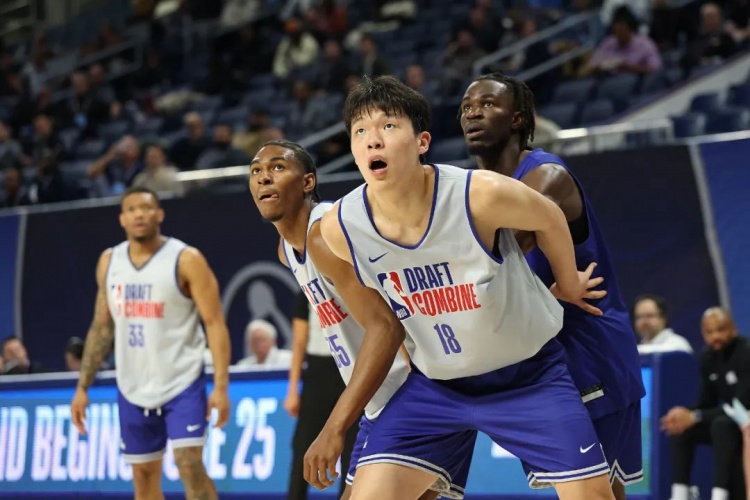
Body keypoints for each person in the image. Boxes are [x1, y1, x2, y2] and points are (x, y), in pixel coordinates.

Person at [305, 75, 614, 500]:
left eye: (388, 126)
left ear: (422, 142)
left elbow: (549, 216)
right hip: (436, 389)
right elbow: (382, 320)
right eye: (360, 131)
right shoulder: (340, 229)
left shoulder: (479, 194)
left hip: (528, 377)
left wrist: (569, 280)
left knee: (593, 496)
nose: (372, 140)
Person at [458, 73, 645, 500]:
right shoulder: (476, 188)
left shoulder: (546, 176)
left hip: (588, 347)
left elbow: (495, 259)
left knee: (598, 490)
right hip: (538, 352)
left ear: (518, 119)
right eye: (467, 107)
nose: (473, 113)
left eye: (488, 104)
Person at [248, 140, 440, 500]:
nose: (263, 177)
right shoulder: (287, 250)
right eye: (256, 171)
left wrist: (333, 427)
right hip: (383, 400)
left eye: (277, 167)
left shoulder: (325, 235)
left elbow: (386, 327)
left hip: (415, 393)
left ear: (308, 182)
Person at [70, 186, 231, 500]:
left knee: (190, 465)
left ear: (159, 214)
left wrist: (221, 387)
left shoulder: (186, 259)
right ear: (122, 219)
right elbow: (102, 326)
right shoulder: (110, 261)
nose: (139, 215)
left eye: (145, 208)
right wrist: (82, 387)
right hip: (133, 384)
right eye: (131, 209)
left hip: (182, 381)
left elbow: (214, 322)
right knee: (143, 478)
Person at [661, 307, 749, 500]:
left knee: (721, 425)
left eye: (721, 329)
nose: (716, 336)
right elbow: (706, 402)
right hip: (728, 419)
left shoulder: (745, 351)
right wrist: (683, 414)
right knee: (682, 428)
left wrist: (695, 416)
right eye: (710, 332)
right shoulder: (707, 357)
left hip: (745, 420)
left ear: (733, 328)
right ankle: (680, 494)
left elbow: (741, 406)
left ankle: (719, 495)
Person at [284, 292, 358, 500]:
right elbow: (299, 342)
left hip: (352, 370)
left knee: (352, 450)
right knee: (303, 446)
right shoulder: (306, 291)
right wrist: (292, 390)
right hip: (318, 373)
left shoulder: (355, 283)